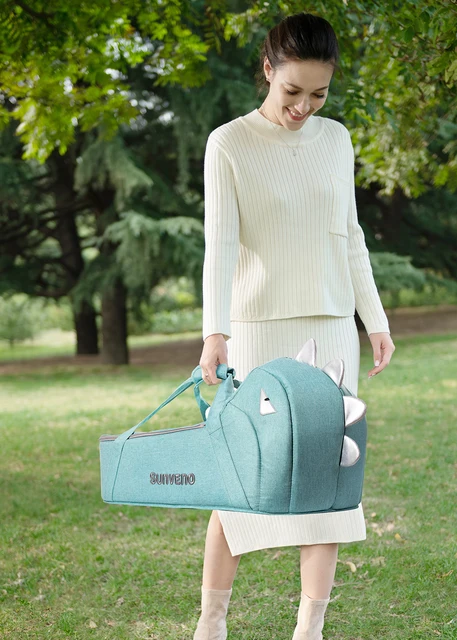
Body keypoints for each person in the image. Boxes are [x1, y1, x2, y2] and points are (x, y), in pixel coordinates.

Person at [194, 11, 396, 640]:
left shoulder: (336, 140)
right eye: (292, 91)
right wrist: (215, 332)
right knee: (241, 477)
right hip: (257, 330)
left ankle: (310, 630)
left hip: (331, 328)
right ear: (267, 69)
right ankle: (211, 623)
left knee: (327, 481)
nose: (304, 106)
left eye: (319, 94)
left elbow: (350, 235)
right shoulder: (228, 143)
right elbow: (220, 246)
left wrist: (375, 319)